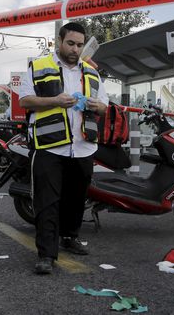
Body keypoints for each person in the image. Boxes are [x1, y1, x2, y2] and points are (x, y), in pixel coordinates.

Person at [19, 22, 109, 275]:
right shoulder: (38, 66)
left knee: (76, 199)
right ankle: (46, 254)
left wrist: (95, 105)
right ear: (58, 41)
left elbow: (104, 106)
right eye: (70, 43)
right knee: (48, 202)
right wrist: (55, 101)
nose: (75, 49)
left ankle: (70, 236)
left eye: (80, 45)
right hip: (49, 146)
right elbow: (25, 100)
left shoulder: (91, 72)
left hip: (82, 147)